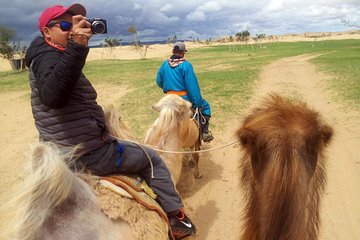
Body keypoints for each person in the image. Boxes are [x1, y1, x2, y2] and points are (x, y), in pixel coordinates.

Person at [24, 3, 196, 239]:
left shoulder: (47, 56)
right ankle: (178, 219)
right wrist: (77, 47)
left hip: (58, 148)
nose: (71, 30)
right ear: (46, 33)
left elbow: (158, 80)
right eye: (65, 25)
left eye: (74, 24)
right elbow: (54, 96)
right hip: (86, 152)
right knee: (151, 158)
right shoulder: (51, 58)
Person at [156, 42, 214, 142]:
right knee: (206, 107)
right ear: (182, 52)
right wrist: (197, 102)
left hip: (169, 97)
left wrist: (168, 89)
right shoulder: (186, 65)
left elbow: (159, 81)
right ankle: (204, 132)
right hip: (183, 97)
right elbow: (192, 86)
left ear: (173, 51)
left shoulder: (165, 64)